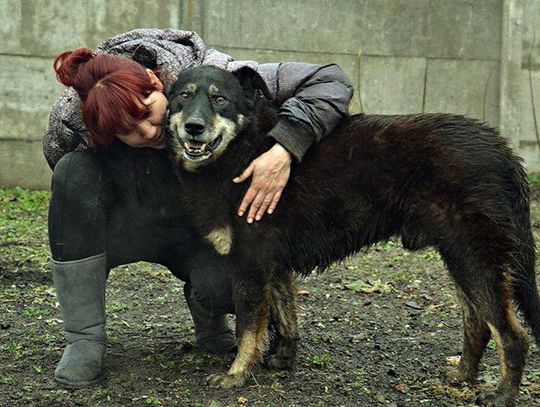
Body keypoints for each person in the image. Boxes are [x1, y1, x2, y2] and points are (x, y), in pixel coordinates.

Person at [43, 28, 353, 387]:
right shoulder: (71, 121)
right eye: (129, 130)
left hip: (195, 226)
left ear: (155, 82)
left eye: (148, 113)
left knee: (235, 283)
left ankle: (208, 312)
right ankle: (84, 339)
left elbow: (330, 80)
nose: (148, 131)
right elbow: (67, 190)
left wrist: (285, 148)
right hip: (132, 217)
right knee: (72, 172)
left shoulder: (215, 72)